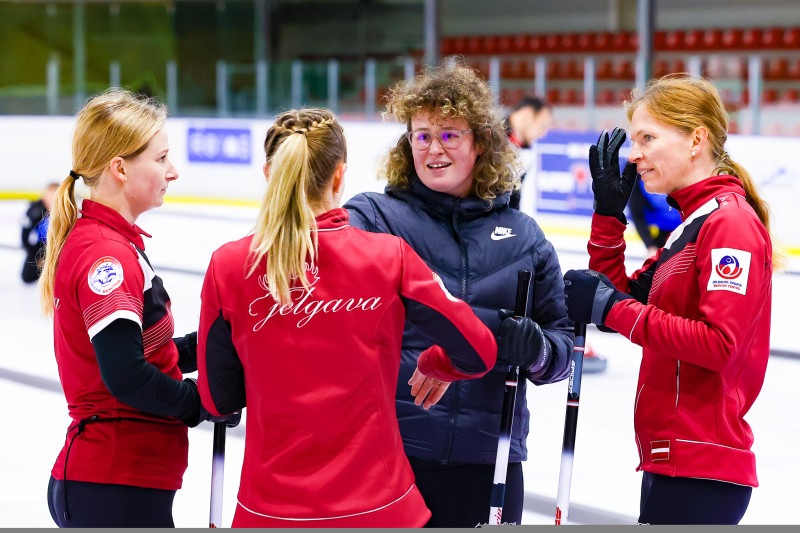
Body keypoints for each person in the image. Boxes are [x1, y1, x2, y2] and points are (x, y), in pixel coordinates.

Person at [195, 108, 497, 528]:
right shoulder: (388, 256)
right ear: (340, 176)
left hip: (269, 511)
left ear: (270, 174)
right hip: (379, 510)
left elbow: (217, 400)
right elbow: (480, 350)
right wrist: (435, 364)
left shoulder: (228, 266)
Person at [345, 64, 573, 527]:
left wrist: (536, 348)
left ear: (481, 143)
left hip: (489, 459)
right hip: (392, 456)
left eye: (450, 135)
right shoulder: (373, 218)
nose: (433, 149)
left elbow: (562, 352)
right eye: (422, 136)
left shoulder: (526, 238)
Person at [563, 75, 776, 525]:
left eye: (648, 138)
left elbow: (720, 344)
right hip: (674, 460)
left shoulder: (729, 225)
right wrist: (607, 219)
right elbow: (616, 297)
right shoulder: (691, 225)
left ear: (696, 138)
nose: (634, 153)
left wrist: (613, 308)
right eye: (634, 139)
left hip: (703, 467)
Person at [39, 88, 237, 528]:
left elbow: (148, 353)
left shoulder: (113, 242)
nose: (174, 171)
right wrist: (201, 400)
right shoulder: (104, 255)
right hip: (114, 482)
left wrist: (219, 345)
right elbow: (126, 375)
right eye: (162, 158)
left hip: (123, 483)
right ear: (120, 168)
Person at [504, 95, 552, 210]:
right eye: (542, 125)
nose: (543, 133)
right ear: (527, 114)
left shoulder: (525, 147)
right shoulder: (491, 136)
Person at [627, 177, 682, 258]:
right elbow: (637, 215)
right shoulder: (639, 182)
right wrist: (650, 246)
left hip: (689, 227)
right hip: (661, 232)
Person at [20, 182, 58, 283]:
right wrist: (36, 256)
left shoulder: (66, 210)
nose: (52, 199)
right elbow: (25, 234)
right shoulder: (35, 211)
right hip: (39, 247)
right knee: (28, 276)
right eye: (50, 195)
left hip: (59, 248)